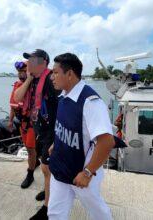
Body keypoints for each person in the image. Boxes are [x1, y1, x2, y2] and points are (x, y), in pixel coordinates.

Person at [48, 53, 115, 220]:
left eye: (55, 72)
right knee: (55, 213)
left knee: (97, 211)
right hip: (61, 167)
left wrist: (87, 173)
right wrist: (56, 144)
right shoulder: (64, 96)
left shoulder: (90, 102)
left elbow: (107, 141)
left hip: (81, 171)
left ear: (69, 74)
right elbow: (66, 126)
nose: (51, 77)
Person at [13, 49, 60, 220]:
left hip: (51, 131)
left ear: (43, 63)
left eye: (31, 60)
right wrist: (30, 78)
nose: (28, 63)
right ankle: (49, 191)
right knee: (46, 167)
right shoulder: (32, 79)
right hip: (39, 129)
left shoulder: (50, 80)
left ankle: (47, 210)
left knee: (47, 168)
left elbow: (63, 105)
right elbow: (18, 97)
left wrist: (58, 136)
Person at [8, 61, 40, 189]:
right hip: (22, 123)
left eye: (24, 71)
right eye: (19, 72)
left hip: (32, 123)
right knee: (27, 147)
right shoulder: (17, 86)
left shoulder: (36, 86)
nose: (21, 74)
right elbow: (13, 105)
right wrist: (10, 120)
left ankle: (30, 174)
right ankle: (35, 162)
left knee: (31, 150)